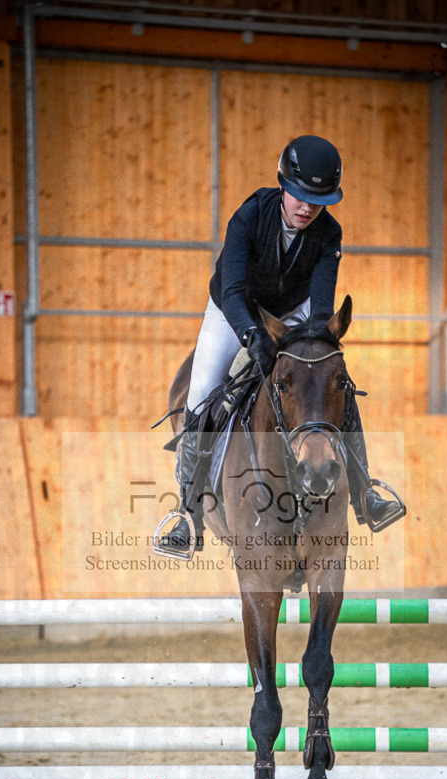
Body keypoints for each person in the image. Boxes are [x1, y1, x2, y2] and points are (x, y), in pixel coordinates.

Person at [157, 134, 403, 555]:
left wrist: (316, 342)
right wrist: (252, 337)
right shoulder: (249, 217)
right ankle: (187, 513)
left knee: (335, 383)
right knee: (200, 397)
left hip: (294, 313)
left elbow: (321, 306)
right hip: (233, 310)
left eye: (318, 201)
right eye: (301, 197)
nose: (308, 208)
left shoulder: (329, 233)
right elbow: (233, 290)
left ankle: (366, 493)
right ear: (284, 185)